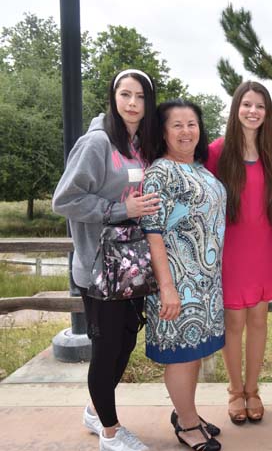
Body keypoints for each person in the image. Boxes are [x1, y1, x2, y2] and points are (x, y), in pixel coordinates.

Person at [52, 68, 159, 451]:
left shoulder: (139, 144)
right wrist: (118, 208)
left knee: (125, 341)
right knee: (107, 345)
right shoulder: (96, 143)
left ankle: (95, 411)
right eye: (125, 95)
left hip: (131, 267)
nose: (132, 103)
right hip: (100, 269)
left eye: (140, 97)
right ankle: (111, 433)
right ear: (113, 98)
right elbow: (64, 200)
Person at [141, 99, 226, 451]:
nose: (186, 131)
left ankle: (186, 412)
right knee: (180, 354)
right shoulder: (160, 172)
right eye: (177, 124)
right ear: (163, 131)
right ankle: (187, 425)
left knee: (193, 354)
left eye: (191, 123)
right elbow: (153, 231)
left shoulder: (202, 170)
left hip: (206, 284)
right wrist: (167, 288)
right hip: (177, 283)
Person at [205, 81, 272, 425]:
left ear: (267, 114)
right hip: (230, 250)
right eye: (247, 105)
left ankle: (254, 390)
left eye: (260, 107)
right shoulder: (217, 151)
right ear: (236, 108)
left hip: (263, 246)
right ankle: (235, 391)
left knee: (259, 320)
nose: (253, 111)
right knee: (234, 322)